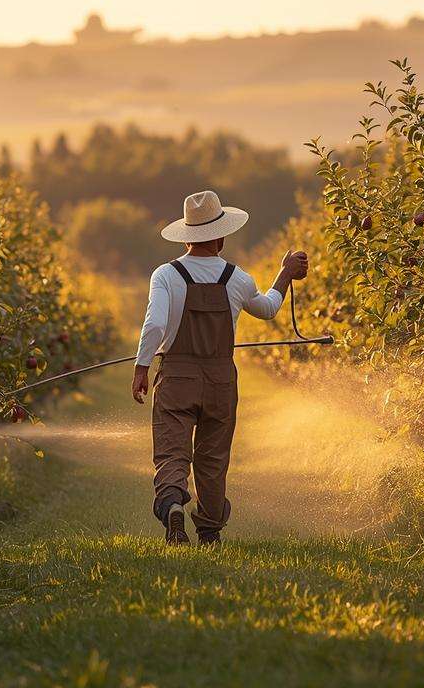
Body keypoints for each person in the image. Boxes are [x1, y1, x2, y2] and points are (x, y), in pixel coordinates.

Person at [132, 190, 309, 545]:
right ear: (221, 235)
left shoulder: (165, 275)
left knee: (172, 451)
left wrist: (141, 366)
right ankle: (209, 529)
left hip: (177, 377)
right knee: (212, 459)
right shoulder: (237, 278)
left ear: (188, 234)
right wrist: (285, 274)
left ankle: (172, 508)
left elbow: (154, 325)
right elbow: (269, 308)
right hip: (220, 381)